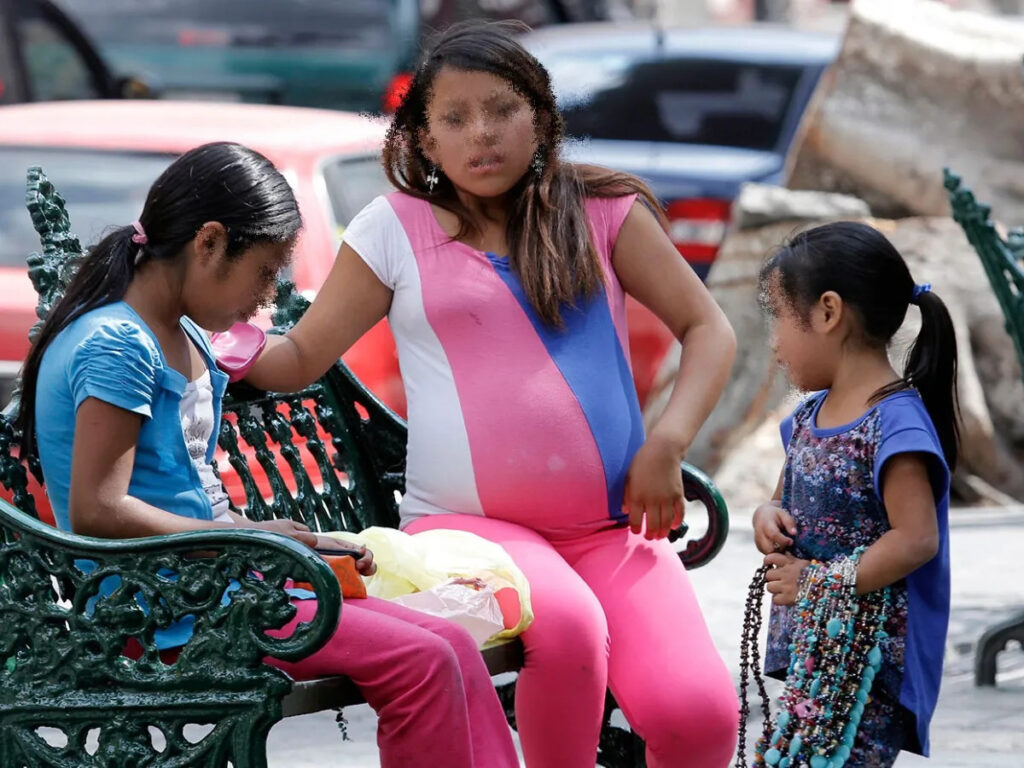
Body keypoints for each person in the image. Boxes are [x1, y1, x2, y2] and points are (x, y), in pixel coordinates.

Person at [241, 21, 740, 768]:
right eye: (454, 118)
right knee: (566, 628)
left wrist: (667, 444)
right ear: (424, 140)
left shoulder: (604, 213)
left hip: (612, 529)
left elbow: (709, 328)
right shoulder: (393, 230)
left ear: (540, 117)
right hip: (469, 530)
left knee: (699, 720)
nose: (482, 134)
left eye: (502, 109)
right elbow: (303, 355)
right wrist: (199, 338)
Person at [17, 141, 519, 768]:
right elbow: (99, 510)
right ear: (208, 242)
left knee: (451, 643)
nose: (265, 296)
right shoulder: (115, 344)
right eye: (263, 270)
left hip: (219, 586)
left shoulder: (180, 329)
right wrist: (263, 538)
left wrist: (292, 541)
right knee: (422, 660)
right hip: (160, 608)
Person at [753, 221, 957, 766]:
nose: (774, 343)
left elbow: (916, 539)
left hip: (865, 664)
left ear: (827, 312)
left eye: (779, 317)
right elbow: (783, 493)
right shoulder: (809, 417)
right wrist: (767, 514)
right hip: (816, 653)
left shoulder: (895, 425)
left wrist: (817, 582)